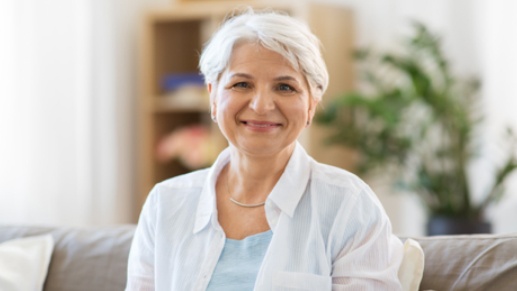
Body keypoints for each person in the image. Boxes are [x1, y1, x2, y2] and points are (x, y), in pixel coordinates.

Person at [126, 8, 403, 290]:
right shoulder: (165, 204)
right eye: (242, 84)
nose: (261, 106)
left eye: (284, 87)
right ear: (212, 96)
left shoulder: (348, 205)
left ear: (311, 104)